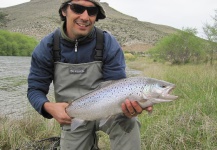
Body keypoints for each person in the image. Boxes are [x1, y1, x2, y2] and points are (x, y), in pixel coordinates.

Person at [27, 0, 153, 149]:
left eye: (91, 11)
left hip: (110, 111)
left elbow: (118, 85)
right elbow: (35, 90)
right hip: (74, 116)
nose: (85, 17)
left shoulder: (108, 43)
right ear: (64, 11)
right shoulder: (47, 46)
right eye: (77, 8)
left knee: (129, 123)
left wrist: (129, 108)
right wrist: (48, 106)